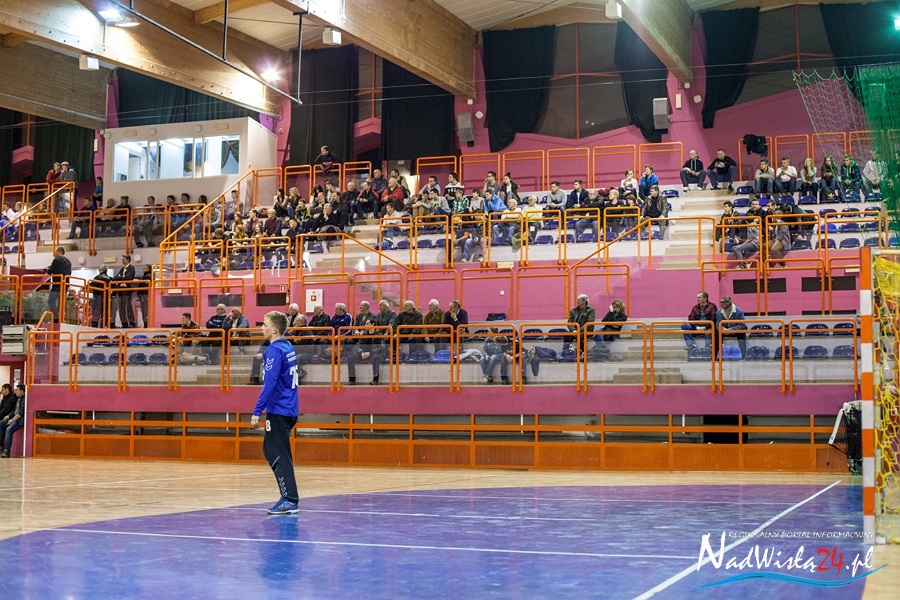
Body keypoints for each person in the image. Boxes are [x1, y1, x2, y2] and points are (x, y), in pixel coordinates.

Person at [250, 311, 300, 515]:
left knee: (277, 454)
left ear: (274, 329)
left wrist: (257, 410)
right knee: (271, 450)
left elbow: (269, 384)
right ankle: (288, 497)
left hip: (279, 409)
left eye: (264, 324)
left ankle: (289, 499)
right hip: (289, 408)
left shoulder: (274, 350)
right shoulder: (287, 346)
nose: (261, 327)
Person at [44, 246, 72, 321]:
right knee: (61, 302)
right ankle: (61, 318)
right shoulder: (68, 261)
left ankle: (56, 318)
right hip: (65, 284)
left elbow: (50, 271)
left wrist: (47, 269)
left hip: (57, 284)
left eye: (55, 251)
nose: (54, 253)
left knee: (51, 301)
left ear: (59, 251)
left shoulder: (56, 260)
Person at [0, 384, 25, 458]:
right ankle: (0, 444)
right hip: (13, 418)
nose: (15, 392)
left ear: (22, 391)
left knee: (9, 429)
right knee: (1, 423)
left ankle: (6, 451)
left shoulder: (24, 400)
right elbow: (14, 410)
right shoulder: (18, 399)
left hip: (19, 420)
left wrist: (12, 420)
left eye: (17, 390)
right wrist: (8, 416)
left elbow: (21, 413)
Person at [112, 254, 136, 328]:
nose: (122, 261)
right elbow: (116, 277)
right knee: (121, 307)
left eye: (123, 259)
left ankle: (131, 322)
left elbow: (128, 277)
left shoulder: (131, 268)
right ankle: (124, 322)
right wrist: (121, 278)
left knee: (127, 306)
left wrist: (121, 278)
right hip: (121, 290)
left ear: (128, 260)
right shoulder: (122, 269)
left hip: (126, 290)